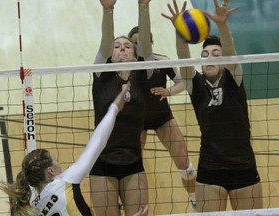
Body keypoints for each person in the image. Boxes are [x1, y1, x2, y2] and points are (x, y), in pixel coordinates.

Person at [162, 0, 263, 212]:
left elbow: (230, 49)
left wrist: (222, 25)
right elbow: (183, 56)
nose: (210, 58)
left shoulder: (233, 78)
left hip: (244, 168)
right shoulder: (195, 83)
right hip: (210, 170)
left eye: (217, 55)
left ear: (224, 61)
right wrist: (181, 30)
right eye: (205, 55)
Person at [0, 82, 150, 216]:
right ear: (50, 170)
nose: (58, 164)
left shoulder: (35, 207)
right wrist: (114, 107)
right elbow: (97, 142)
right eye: (55, 161)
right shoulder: (64, 183)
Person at [90, 0, 153, 215]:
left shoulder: (143, 76)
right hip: (102, 163)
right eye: (117, 47)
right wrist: (108, 10)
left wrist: (143, 6)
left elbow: (145, 43)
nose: (122, 50)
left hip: (133, 162)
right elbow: (105, 42)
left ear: (135, 56)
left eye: (127, 47)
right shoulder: (101, 75)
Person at [128, 26, 197, 208]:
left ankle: (196, 200)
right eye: (134, 43)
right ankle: (126, 203)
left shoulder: (161, 61)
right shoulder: (124, 66)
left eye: (142, 42)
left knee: (184, 162)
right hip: (135, 122)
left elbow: (184, 81)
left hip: (162, 117)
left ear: (150, 44)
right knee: (130, 165)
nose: (138, 45)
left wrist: (170, 91)